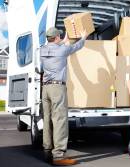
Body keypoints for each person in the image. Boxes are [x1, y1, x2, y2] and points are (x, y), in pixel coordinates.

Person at [40, 27, 87, 166]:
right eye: (59, 36)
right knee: (59, 120)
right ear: (56, 37)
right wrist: (83, 37)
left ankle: (47, 151)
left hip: (46, 88)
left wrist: (63, 40)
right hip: (57, 88)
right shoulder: (62, 50)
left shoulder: (42, 50)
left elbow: (56, 46)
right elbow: (78, 46)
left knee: (47, 119)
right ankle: (59, 156)